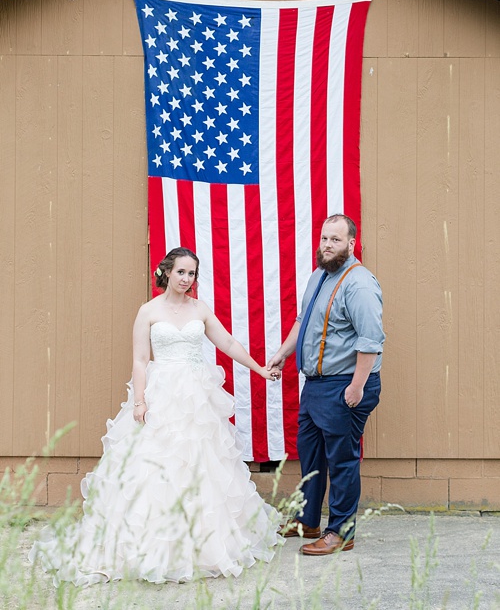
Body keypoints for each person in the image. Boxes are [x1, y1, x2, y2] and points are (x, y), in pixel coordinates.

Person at [30, 247, 283, 586]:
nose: (186, 279)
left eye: (191, 273)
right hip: (161, 394)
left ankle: (201, 545)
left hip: (196, 398)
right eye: (180, 272)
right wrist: (139, 402)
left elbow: (227, 342)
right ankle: (150, 546)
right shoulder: (148, 311)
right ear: (166, 272)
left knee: (200, 464)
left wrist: (259, 369)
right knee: (155, 467)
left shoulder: (199, 309)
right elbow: (139, 359)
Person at [267, 214, 384, 556]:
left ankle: (341, 533)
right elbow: (303, 322)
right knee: (312, 455)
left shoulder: (359, 283)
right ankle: (308, 521)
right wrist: (283, 354)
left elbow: (371, 339)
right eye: (323, 239)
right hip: (316, 386)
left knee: (342, 460)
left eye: (335, 239)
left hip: (346, 385)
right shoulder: (319, 276)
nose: (327, 245)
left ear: (351, 243)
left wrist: (357, 387)